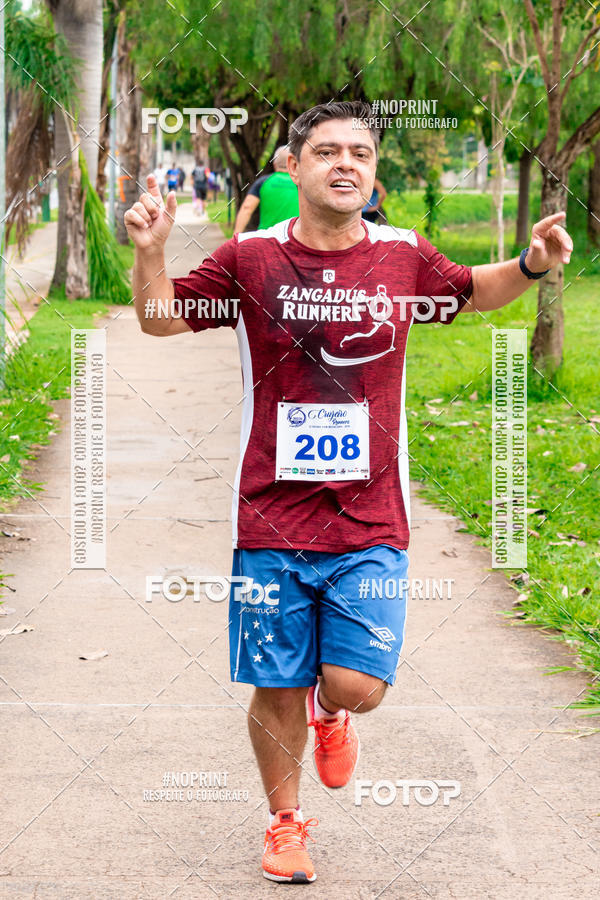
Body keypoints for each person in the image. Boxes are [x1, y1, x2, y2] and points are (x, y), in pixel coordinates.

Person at [125, 100, 572, 885]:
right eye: (326, 151)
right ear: (293, 171)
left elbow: (476, 289)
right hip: (270, 516)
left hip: (370, 516)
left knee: (356, 685)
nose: (345, 164)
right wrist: (151, 253)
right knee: (274, 681)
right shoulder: (252, 257)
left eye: (360, 153)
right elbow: (160, 319)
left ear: (372, 172)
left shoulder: (403, 256)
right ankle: (285, 822)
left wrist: (533, 262)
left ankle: (331, 716)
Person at [234, 145, 299, 233]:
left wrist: (236, 237)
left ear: (274, 164)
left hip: (266, 239)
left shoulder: (263, 182)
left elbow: (247, 208)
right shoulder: (301, 183)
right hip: (293, 238)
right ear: (293, 163)